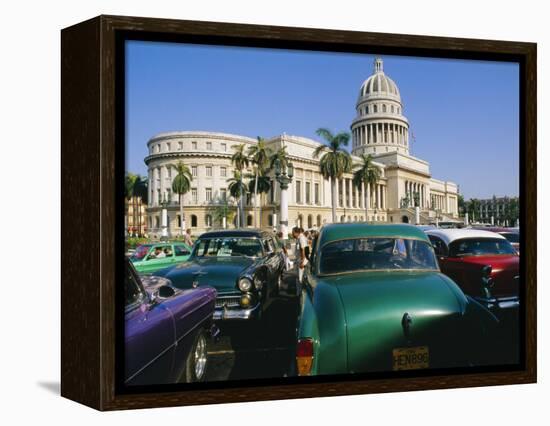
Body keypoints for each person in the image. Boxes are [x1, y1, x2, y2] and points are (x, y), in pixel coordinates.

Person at [292, 227, 309, 291]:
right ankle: (298, 292)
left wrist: (302, 262)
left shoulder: (301, 238)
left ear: (296, 232)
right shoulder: (298, 238)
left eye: (293, 232)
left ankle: (300, 294)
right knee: (298, 277)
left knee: (300, 278)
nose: (292, 234)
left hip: (301, 261)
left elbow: (303, 250)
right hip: (299, 260)